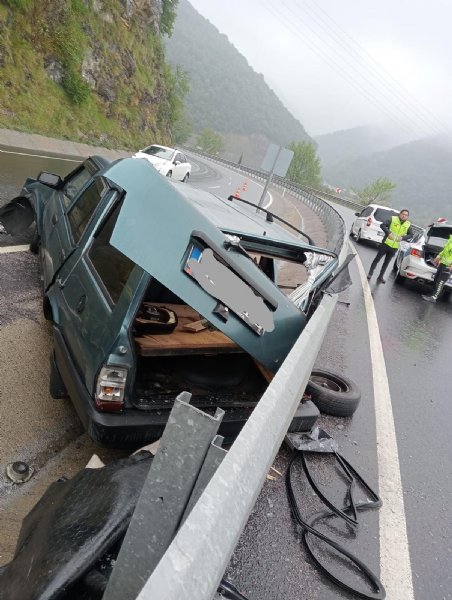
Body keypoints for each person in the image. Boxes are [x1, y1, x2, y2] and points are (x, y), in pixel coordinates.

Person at [367, 209, 412, 283]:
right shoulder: (393, 219)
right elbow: (383, 225)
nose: (404, 216)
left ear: (407, 217)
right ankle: (370, 273)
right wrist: (388, 233)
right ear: (400, 214)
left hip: (394, 247)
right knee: (377, 259)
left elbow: (411, 234)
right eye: (403, 214)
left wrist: (403, 238)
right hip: (386, 244)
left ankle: (380, 277)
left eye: (406, 215)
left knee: (386, 263)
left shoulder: (408, 224)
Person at [422, 232, 452, 302]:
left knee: (440, 282)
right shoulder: (451, 239)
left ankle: (434, 297)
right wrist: (439, 256)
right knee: (436, 279)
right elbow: (445, 251)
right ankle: (432, 294)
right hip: (443, 263)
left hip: (448, 265)